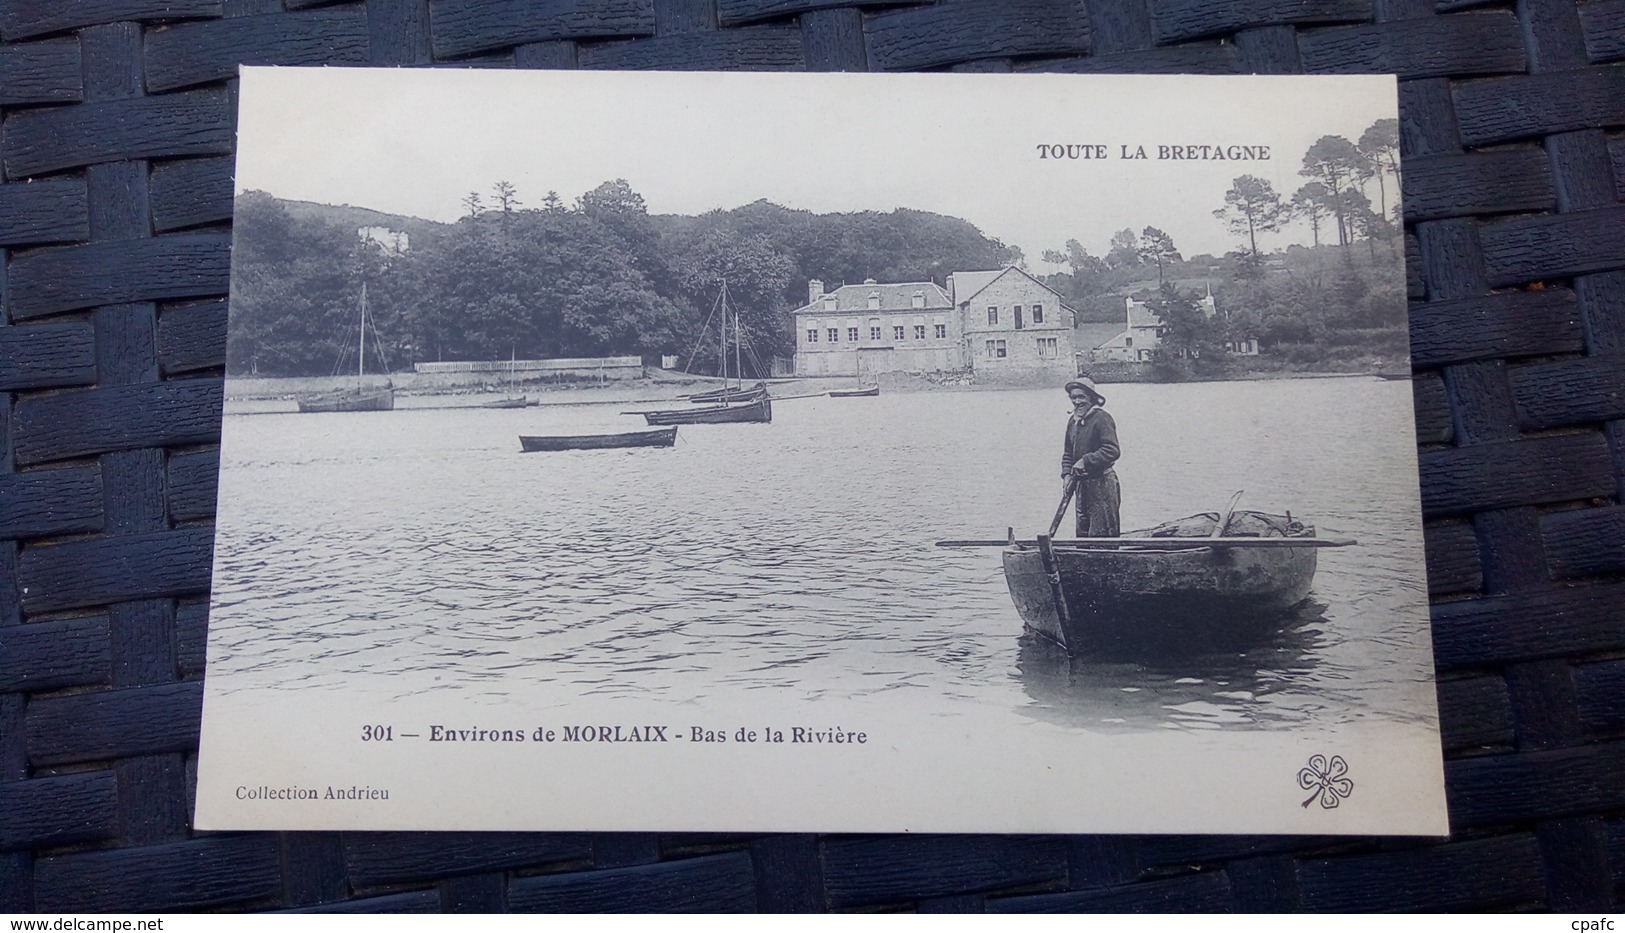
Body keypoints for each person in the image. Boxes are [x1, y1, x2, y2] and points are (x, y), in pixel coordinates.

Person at [1061, 378, 1121, 537]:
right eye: (1073, 397)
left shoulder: (1102, 418)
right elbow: (1068, 452)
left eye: (1081, 397)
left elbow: (1112, 450)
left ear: (1091, 398)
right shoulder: (1073, 422)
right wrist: (1066, 475)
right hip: (1081, 484)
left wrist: (1085, 461)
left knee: (1102, 533)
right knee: (1083, 530)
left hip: (1102, 484)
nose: (1077, 402)